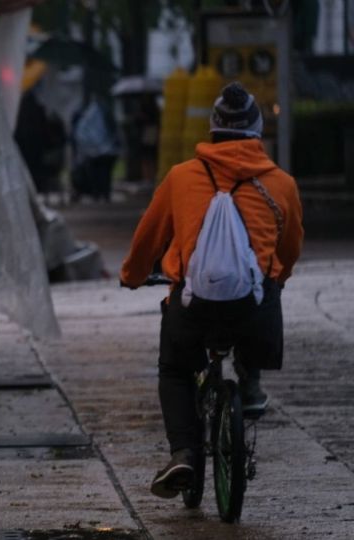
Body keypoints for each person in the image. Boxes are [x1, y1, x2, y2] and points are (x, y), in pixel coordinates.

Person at [119, 82, 303, 500]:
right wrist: (279, 278)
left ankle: (183, 452)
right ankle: (251, 384)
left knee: (175, 369)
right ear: (257, 132)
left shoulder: (181, 178)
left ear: (213, 130)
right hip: (255, 311)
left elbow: (148, 238)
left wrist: (132, 276)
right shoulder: (282, 185)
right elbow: (289, 249)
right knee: (264, 296)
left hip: (192, 305)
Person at [71, 95, 120, 202]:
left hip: (94, 152)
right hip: (108, 151)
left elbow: (81, 135)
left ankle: (97, 193)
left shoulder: (87, 117)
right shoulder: (105, 114)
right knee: (105, 174)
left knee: (96, 174)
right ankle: (105, 194)